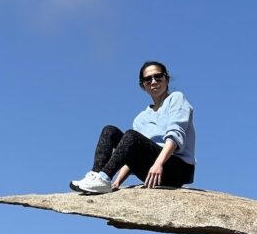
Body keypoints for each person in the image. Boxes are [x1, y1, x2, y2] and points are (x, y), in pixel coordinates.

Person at [70, 61, 196, 194]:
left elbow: (175, 135)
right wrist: (117, 182)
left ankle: (103, 177)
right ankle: (96, 176)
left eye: (158, 76)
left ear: (167, 79)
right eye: (148, 79)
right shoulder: (141, 118)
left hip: (176, 169)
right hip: (152, 170)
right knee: (110, 130)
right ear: (142, 85)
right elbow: (129, 151)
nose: (153, 81)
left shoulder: (176, 98)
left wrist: (158, 164)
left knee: (131, 135)